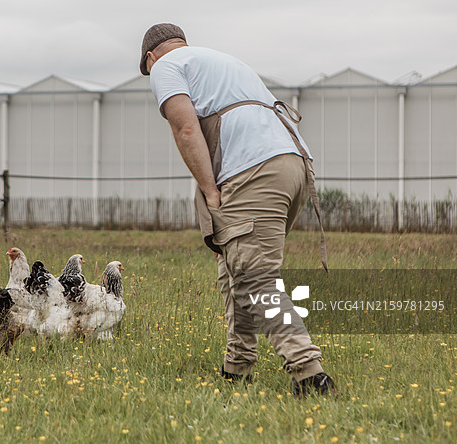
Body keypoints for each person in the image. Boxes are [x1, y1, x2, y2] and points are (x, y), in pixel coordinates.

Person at [140, 23, 335, 396]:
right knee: (236, 267)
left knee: (256, 276)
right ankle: (237, 366)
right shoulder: (221, 62)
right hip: (292, 164)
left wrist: (210, 190)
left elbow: (185, 129)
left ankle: (309, 373)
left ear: (150, 57)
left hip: (251, 169)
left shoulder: (165, 66)